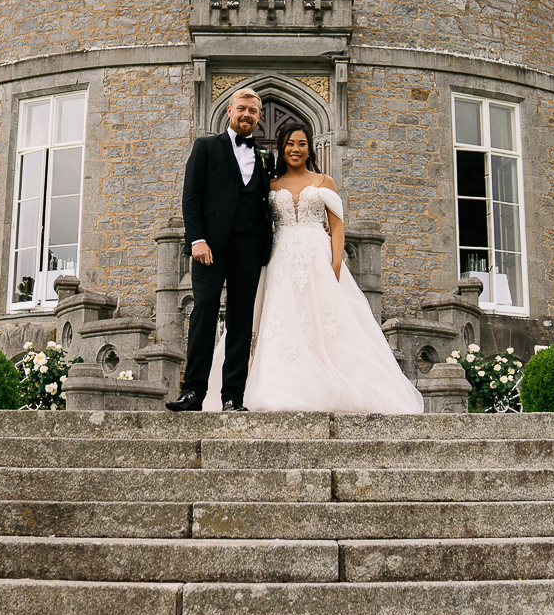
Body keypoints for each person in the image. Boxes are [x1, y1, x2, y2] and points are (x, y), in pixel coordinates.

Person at [244, 123, 424, 414]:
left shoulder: (325, 181)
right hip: (282, 258)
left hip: (318, 255)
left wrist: (336, 262)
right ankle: (283, 385)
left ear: (310, 148)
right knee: (284, 318)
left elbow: (338, 227)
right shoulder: (272, 185)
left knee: (327, 320)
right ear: (282, 147)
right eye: (290, 144)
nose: (296, 149)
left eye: (302, 144)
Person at [169, 88, 272, 412]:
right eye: (242, 108)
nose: (247, 115)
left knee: (242, 322)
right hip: (209, 248)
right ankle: (193, 392)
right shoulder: (206, 147)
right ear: (229, 110)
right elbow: (192, 197)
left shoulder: (265, 156)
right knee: (204, 313)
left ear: (258, 117)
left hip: (250, 249)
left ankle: (232, 398)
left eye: (253, 111)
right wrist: (197, 240)